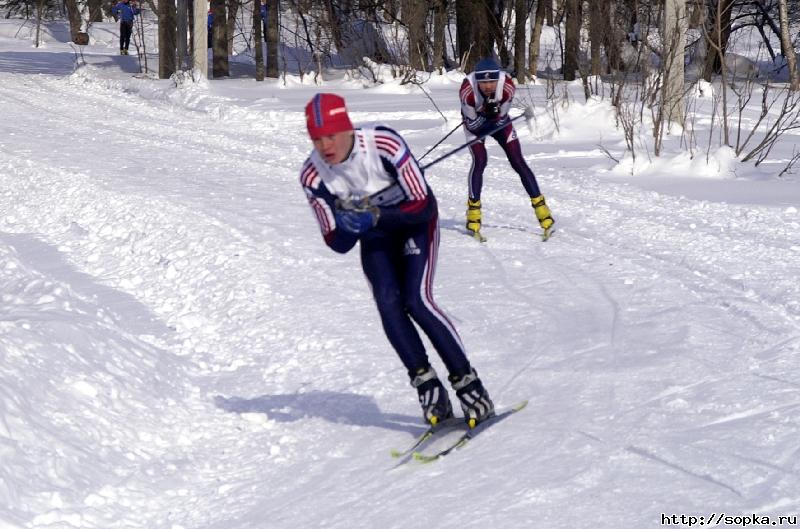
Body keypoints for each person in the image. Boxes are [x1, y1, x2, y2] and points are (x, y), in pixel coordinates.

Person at [299, 93, 494, 428]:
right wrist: (348, 226)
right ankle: (427, 385)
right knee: (388, 303)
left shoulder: (383, 144)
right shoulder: (313, 177)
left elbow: (424, 204)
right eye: (316, 139)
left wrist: (375, 214)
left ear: (347, 129)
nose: (325, 146)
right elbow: (336, 242)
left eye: (331, 135)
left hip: (415, 225)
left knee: (417, 300)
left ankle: (468, 384)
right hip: (376, 237)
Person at [459, 57, 555, 240]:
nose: (487, 86)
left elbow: (501, 119)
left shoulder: (507, 85)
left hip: (498, 123)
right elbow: (473, 125)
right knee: (480, 161)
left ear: (498, 78)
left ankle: (543, 211)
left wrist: (493, 114)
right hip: (474, 126)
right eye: (483, 82)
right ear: (477, 80)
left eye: (491, 81)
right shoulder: (467, 90)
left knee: (518, 161)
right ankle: (473, 214)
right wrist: (487, 113)